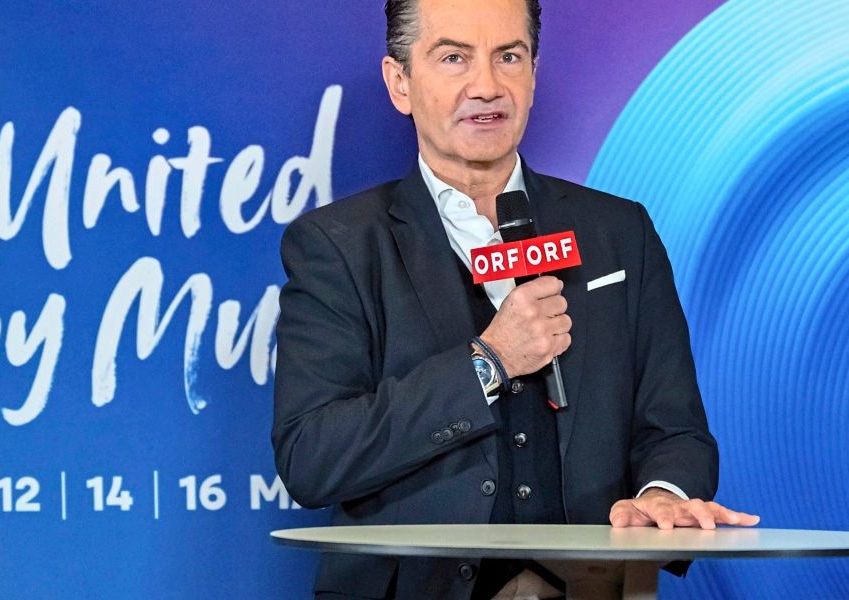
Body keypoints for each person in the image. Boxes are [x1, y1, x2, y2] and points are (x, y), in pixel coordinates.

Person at [272, 0, 760, 597]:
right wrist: (490, 361)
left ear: (532, 75)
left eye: (508, 57)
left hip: (590, 588)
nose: (487, 85)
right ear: (400, 83)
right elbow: (312, 457)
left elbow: (676, 430)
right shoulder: (339, 245)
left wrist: (662, 494)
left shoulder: (618, 231)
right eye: (454, 58)